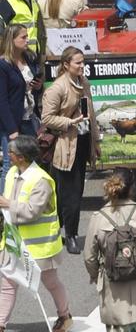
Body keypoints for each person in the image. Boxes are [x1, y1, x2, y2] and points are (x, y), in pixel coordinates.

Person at [0, 131, 73, 331]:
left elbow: (32, 211)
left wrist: (7, 204)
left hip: (40, 246)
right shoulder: (12, 173)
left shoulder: (42, 180)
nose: (8, 155)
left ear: (21, 157)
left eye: (11, 152)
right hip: (14, 242)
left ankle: (65, 315)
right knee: (8, 283)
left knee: (50, 282)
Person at [85, 162, 136, 331]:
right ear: (131, 188)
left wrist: (95, 275)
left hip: (112, 283)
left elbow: (89, 257)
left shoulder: (98, 217)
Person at [42, 44, 97, 252]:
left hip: (82, 143)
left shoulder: (84, 82)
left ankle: (57, 231)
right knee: (70, 194)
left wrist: (95, 143)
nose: (83, 66)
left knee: (72, 191)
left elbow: (90, 113)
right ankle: (71, 235)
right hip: (65, 146)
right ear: (66, 65)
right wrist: (69, 122)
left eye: (83, 62)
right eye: (78, 63)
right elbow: (47, 118)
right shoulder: (58, 88)